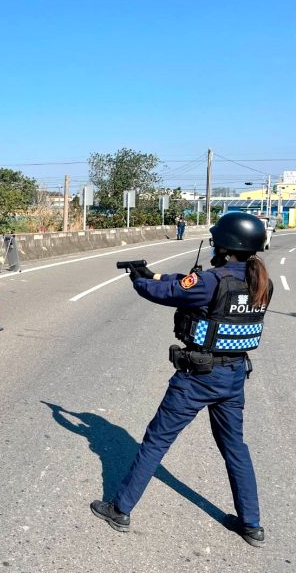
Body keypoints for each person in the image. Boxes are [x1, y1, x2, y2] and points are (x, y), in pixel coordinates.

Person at [90, 212, 273, 547]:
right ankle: (252, 524)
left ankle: (120, 509)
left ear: (225, 245)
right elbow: (186, 282)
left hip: (198, 377)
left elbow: (169, 292)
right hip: (234, 376)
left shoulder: (212, 281)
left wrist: (139, 280)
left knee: (156, 442)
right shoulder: (260, 281)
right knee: (235, 448)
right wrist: (154, 273)